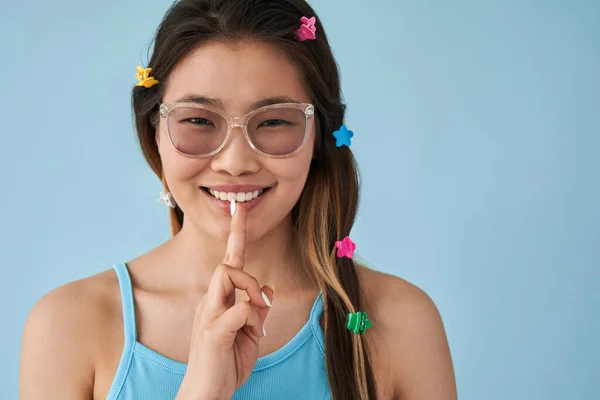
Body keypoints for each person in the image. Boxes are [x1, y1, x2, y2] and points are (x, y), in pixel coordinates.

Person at [19, 0, 457, 399]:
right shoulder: (67, 326)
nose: (235, 161)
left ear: (319, 138)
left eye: (273, 122)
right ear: (154, 132)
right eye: (196, 120)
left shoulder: (402, 322)